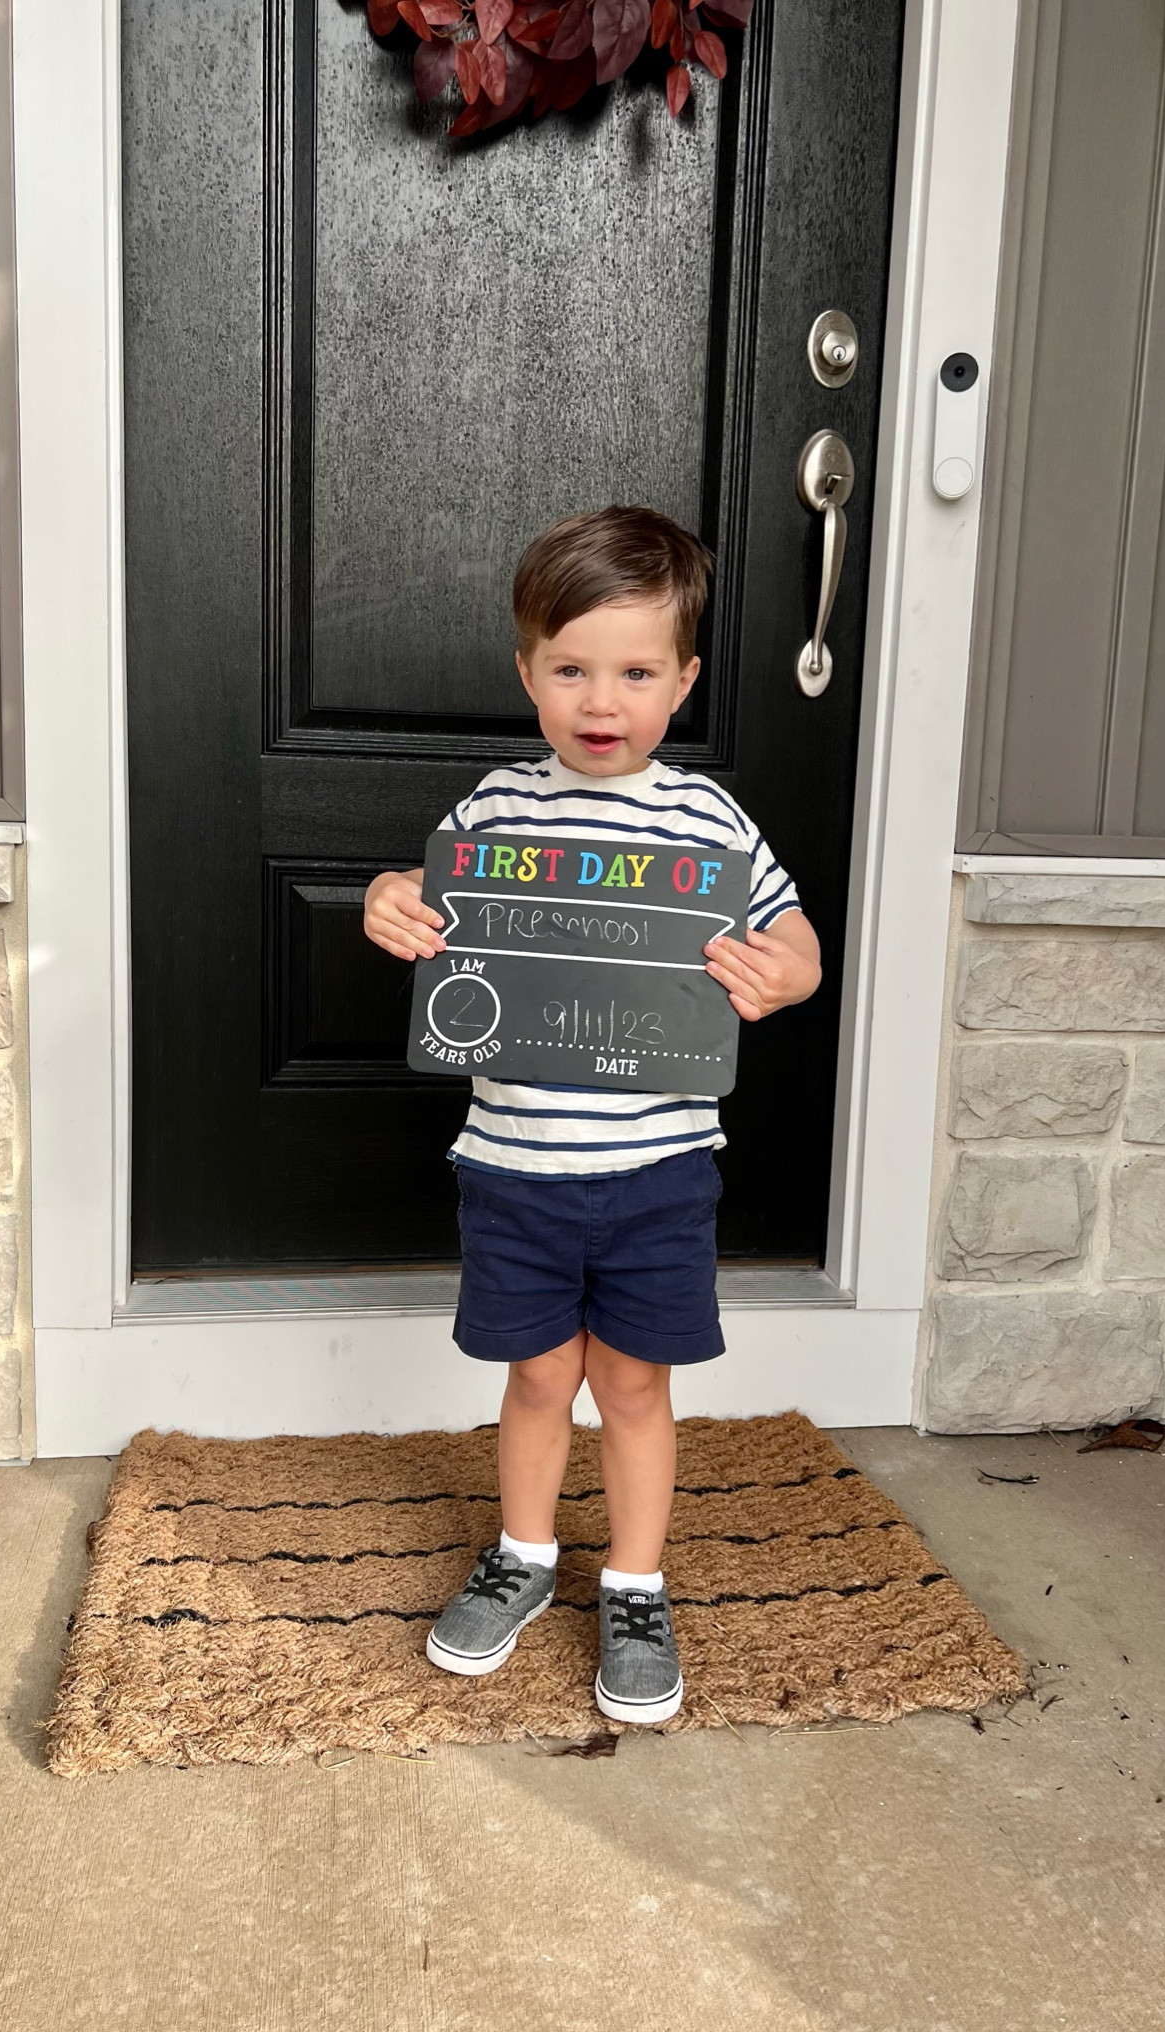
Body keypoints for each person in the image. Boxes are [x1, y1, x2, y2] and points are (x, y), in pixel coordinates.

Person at [363, 506, 821, 1724]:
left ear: (684, 679)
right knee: (533, 1378)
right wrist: (387, 898)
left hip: (659, 1170)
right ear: (528, 673)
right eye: (570, 668)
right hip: (513, 1168)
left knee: (632, 1386)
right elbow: (423, 894)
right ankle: (522, 1555)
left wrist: (787, 969)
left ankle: (633, 1580)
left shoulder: (707, 826)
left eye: (633, 670)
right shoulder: (496, 811)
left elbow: (793, 937)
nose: (599, 698)